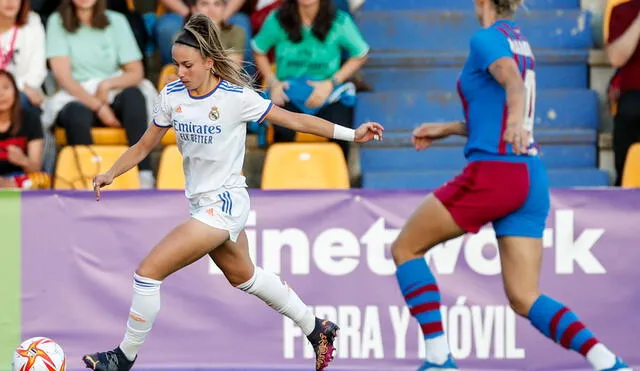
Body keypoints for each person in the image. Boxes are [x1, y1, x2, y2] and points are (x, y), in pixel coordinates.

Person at [82, 13, 383, 371]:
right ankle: (316, 327)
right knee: (245, 277)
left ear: (210, 62)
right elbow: (145, 145)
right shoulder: (171, 95)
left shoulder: (236, 98)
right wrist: (111, 172)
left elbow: (299, 121)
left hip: (225, 204)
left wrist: (353, 134)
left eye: (188, 65)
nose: (180, 72)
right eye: (176, 64)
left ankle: (123, 357)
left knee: (148, 273)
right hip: (200, 204)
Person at [388, 0, 632, 370]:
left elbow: (512, 84)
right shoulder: (518, 40)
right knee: (523, 296)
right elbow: (498, 108)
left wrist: (516, 122)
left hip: (495, 173)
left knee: (406, 248)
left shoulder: (485, 39)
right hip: (530, 175)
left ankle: (438, 359)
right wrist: (450, 128)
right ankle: (608, 362)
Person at [45, 0, 155, 188]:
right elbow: (64, 77)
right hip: (76, 94)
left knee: (134, 96)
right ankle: (86, 181)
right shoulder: (57, 21)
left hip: (111, 90)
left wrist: (106, 85)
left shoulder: (117, 20)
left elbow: (136, 71)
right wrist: (99, 107)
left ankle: (144, 176)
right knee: (76, 115)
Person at [252, 0, 369, 160]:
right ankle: (282, 181)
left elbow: (361, 53)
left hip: (328, 93)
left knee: (341, 131)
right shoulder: (277, 18)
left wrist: (332, 83)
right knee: (282, 131)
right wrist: (273, 83)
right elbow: (259, 50)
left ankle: (337, 182)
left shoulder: (339, 19)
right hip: (288, 91)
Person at [158, 0, 247, 89]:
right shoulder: (181, 37)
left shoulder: (236, 32)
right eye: (204, 4)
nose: (211, 10)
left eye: (217, 4)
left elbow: (232, 70)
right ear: (194, 9)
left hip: (225, 87)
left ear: (224, 8)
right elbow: (183, 71)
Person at [604, 0, 640, 186]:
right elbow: (616, 59)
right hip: (635, 98)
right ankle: (625, 185)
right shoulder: (623, 11)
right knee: (630, 108)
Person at [0, 0, 47, 113]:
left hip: (24, 93)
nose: (9, 2)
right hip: (22, 89)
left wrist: (15, 88)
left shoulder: (33, 22)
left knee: (23, 102)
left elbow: (37, 71)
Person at [0, 70, 44, 188]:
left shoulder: (30, 119)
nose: (1, 94)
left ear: (15, 91)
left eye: (6, 87)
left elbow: (35, 168)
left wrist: (22, 160)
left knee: (39, 180)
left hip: (20, 179)